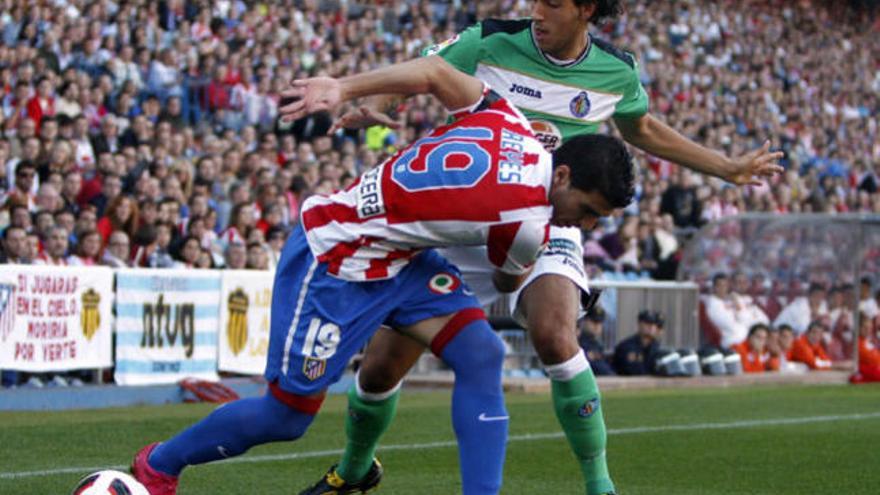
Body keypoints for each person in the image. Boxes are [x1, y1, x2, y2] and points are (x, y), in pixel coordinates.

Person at [300, 1, 782, 494]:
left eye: (552, 3)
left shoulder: (615, 71)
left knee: (555, 333)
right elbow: (431, 71)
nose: (537, 12)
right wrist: (383, 102)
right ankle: (356, 471)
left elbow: (644, 129)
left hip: (550, 220)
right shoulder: (488, 39)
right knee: (381, 367)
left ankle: (600, 485)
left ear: (586, 9)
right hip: (466, 225)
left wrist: (725, 167)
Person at [131, 55, 636, 495]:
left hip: (399, 260)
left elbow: (436, 72)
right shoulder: (527, 223)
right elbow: (506, 283)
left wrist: (344, 87)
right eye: (587, 211)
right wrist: (522, 256)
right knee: (284, 418)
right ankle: (157, 467)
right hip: (335, 257)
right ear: (563, 175)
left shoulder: (510, 121)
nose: (586, 226)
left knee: (481, 352)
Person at [612, 310, 661, 375]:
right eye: (647, 323)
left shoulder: (656, 347)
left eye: (654, 324)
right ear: (639, 324)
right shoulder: (626, 346)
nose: (651, 327)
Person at [579, 305, 615, 376]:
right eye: (594, 322)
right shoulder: (578, 343)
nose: (597, 326)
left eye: (600, 323)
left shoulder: (598, 345)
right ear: (585, 321)